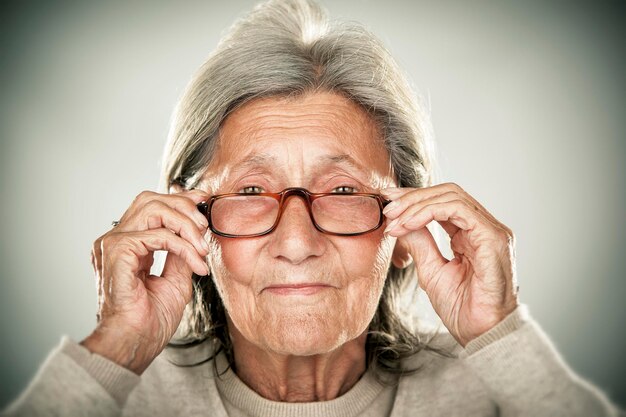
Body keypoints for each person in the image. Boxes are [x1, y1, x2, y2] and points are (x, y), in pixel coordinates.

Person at [3, 0, 623, 416]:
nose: (297, 242)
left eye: (346, 190)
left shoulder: (491, 395)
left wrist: (500, 335)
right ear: (190, 222)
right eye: (249, 192)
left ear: (406, 227)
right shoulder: (120, 399)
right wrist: (117, 348)